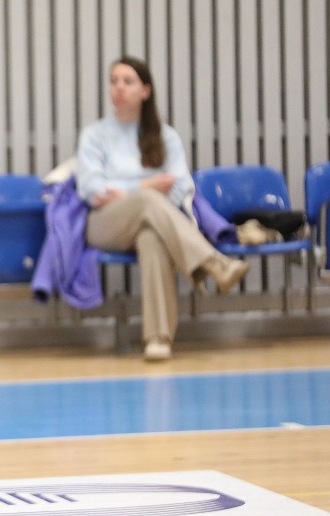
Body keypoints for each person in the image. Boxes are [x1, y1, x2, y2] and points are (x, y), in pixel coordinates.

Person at [76, 56, 249, 362]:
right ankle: (213, 264)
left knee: (152, 237)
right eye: (114, 81)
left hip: (154, 221)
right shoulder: (94, 135)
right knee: (146, 200)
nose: (118, 87)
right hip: (105, 223)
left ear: (145, 91)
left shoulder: (166, 136)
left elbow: (181, 188)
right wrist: (146, 186)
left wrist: (124, 189)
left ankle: (159, 338)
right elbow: (93, 190)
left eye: (127, 81)